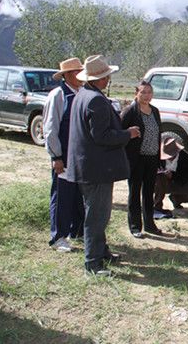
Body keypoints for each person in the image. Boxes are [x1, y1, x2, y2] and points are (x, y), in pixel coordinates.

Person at [67, 55, 140, 276]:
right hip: (95, 169)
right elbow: (102, 135)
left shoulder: (83, 95)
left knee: (97, 213)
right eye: (106, 75)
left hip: (88, 167)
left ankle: (102, 252)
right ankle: (93, 263)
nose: (108, 78)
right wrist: (128, 133)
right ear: (100, 78)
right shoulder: (95, 100)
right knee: (97, 216)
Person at [43, 57, 85, 252]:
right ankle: (58, 236)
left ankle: (76, 230)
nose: (81, 76)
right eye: (77, 72)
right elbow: (51, 129)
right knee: (62, 196)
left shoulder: (82, 93)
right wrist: (56, 156)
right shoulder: (58, 95)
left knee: (78, 195)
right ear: (67, 75)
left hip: (80, 157)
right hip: (64, 156)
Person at [121, 81, 163, 238]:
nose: (146, 95)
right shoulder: (130, 112)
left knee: (148, 192)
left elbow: (158, 134)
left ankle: (149, 224)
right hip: (136, 158)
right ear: (136, 94)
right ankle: (135, 226)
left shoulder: (155, 111)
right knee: (134, 192)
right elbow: (120, 132)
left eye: (149, 92)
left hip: (152, 158)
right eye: (143, 92)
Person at [154, 137, 188, 212]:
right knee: (160, 180)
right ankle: (157, 206)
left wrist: (173, 175)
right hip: (160, 183)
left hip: (178, 183)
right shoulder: (157, 157)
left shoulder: (186, 158)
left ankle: (176, 199)